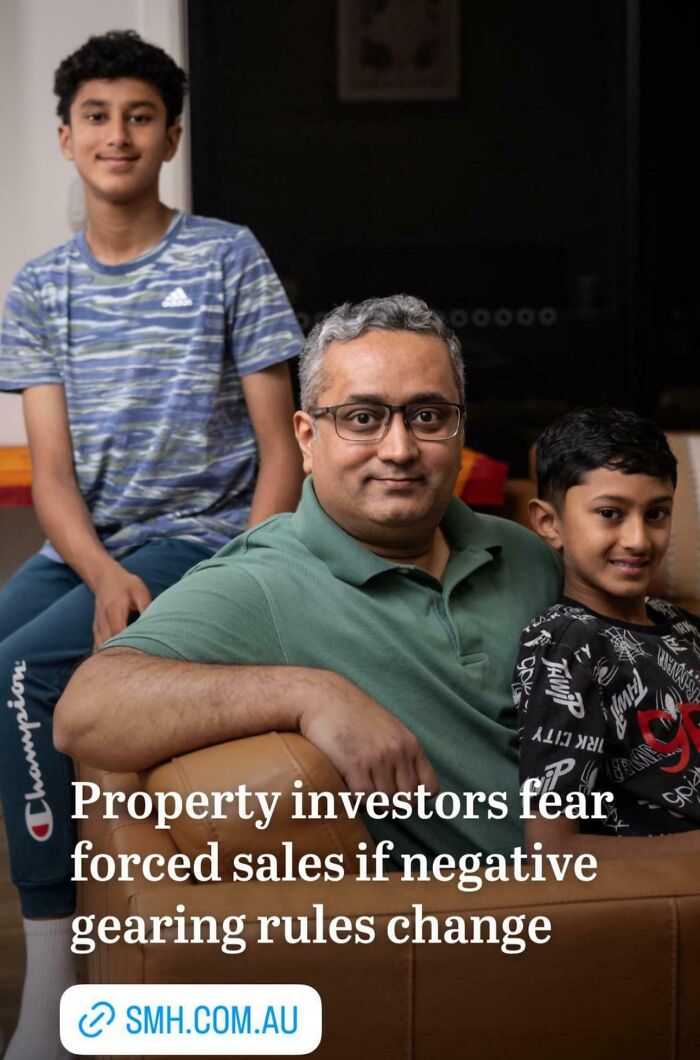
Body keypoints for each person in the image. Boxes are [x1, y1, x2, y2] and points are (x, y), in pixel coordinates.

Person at [0, 30, 303, 1060]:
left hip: (207, 532)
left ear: (170, 134)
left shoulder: (226, 254)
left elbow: (280, 450)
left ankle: (53, 982)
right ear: (64, 136)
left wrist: (256, 574)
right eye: (96, 115)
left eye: (139, 115)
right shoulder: (40, 287)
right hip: (97, 539)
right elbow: (49, 473)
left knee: (19, 675)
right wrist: (97, 568)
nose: (116, 134)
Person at [57, 293, 561, 863]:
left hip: (624, 879)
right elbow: (85, 713)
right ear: (305, 438)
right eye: (362, 419)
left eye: (427, 416)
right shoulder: (264, 579)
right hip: (483, 921)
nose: (399, 449)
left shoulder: (525, 553)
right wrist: (310, 693)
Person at [512, 407, 700, 859]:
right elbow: (552, 849)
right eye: (610, 513)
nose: (638, 539)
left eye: (656, 514)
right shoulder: (566, 644)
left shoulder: (680, 624)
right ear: (548, 524)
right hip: (657, 893)